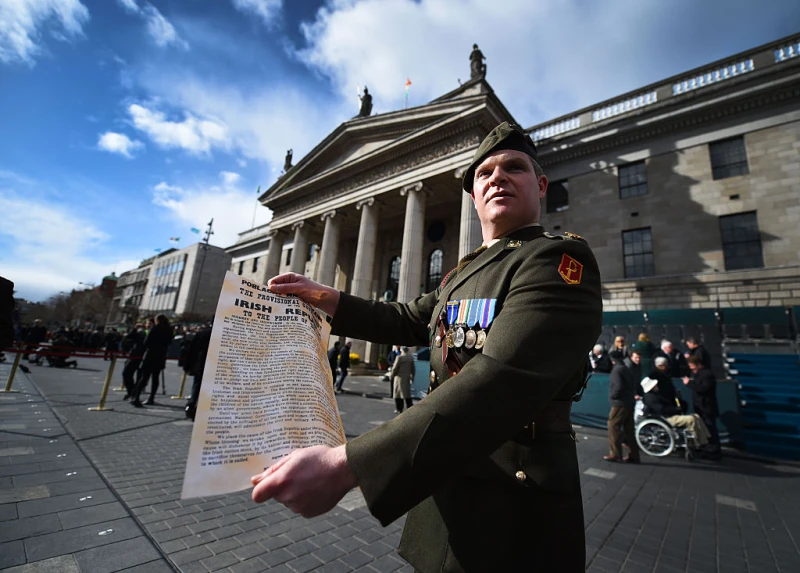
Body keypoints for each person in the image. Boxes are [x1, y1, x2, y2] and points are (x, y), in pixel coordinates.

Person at [249, 122, 602, 572]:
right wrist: (324, 296)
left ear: (542, 185)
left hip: (515, 502)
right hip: (446, 484)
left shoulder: (555, 259)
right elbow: (406, 318)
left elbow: (500, 379)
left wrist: (348, 464)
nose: (497, 177)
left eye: (514, 167)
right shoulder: (461, 275)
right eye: (485, 173)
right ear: (473, 195)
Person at [640, 377, 711, 447]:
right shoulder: (651, 398)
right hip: (666, 418)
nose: (657, 386)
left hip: (668, 416)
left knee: (696, 416)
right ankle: (698, 443)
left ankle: (705, 439)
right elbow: (662, 410)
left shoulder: (656, 394)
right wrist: (676, 409)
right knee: (691, 419)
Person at [131, 314, 173, 407]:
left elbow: (146, 341)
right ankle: (151, 397)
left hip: (151, 354)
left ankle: (136, 397)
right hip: (161, 355)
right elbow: (169, 342)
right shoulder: (169, 330)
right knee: (155, 377)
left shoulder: (155, 328)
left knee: (144, 377)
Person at [683, 355, 721, 458]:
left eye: (692, 366)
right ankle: (708, 448)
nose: (691, 368)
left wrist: (689, 384)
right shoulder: (700, 374)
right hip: (701, 406)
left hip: (706, 407)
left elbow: (703, 388)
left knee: (710, 427)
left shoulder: (707, 375)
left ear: (698, 365)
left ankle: (714, 450)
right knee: (706, 427)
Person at [605, 358, 640, 463]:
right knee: (629, 430)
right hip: (629, 401)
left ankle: (615, 454)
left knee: (613, 425)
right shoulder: (626, 369)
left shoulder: (616, 370)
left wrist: (613, 396)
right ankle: (634, 455)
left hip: (620, 403)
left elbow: (618, 386)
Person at [184, 323, 212, 421]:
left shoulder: (202, 334)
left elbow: (192, 351)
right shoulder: (224, 334)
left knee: (196, 386)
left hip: (200, 365)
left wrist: (187, 366)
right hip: (214, 366)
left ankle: (191, 405)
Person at [121, 323, 146, 399]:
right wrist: (135, 329)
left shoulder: (144, 333)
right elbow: (129, 337)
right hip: (134, 355)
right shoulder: (140, 332)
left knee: (136, 376)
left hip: (140, 356)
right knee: (127, 374)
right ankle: (131, 391)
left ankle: (134, 393)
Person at [390, 346, 415, 413]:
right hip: (407, 377)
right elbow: (413, 369)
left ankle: (399, 409)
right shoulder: (410, 358)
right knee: (407, 394)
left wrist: (392, 375)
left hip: (399, 377)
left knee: (397, 394)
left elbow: (395, 368)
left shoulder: (399, 357)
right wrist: (412, 377)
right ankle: (410, 407)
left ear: (401, 350)